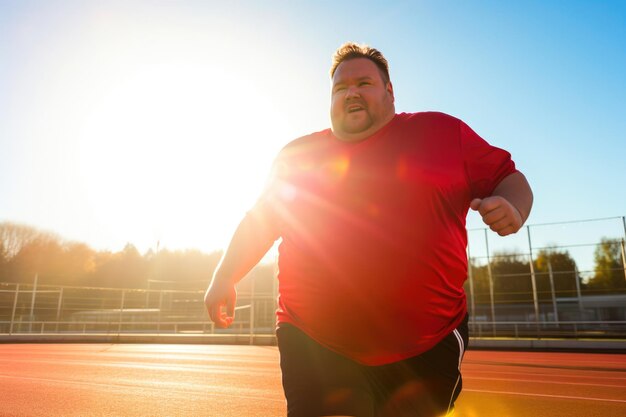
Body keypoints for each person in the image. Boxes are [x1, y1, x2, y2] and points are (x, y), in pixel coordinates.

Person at [204, 42, 533, 417]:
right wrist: (225, 275)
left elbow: (508, 177)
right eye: (340, 88)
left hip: (428, 344)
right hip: (313, 338)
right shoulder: (298, 157)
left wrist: (514, 207)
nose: (351, 93)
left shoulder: (442, 133)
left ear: (390, 93)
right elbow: (260, 221)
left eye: (364, 83)